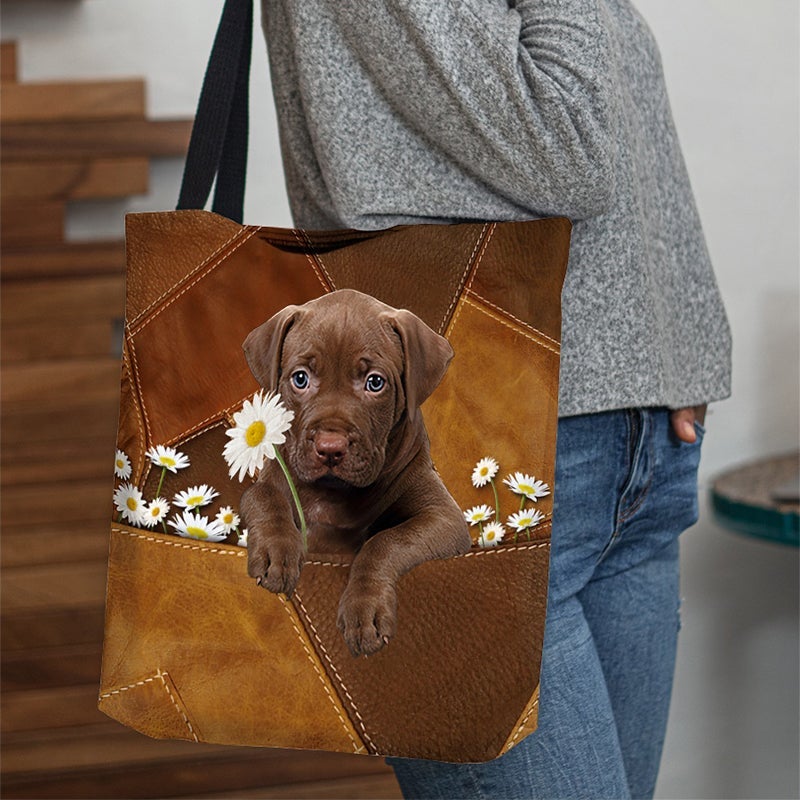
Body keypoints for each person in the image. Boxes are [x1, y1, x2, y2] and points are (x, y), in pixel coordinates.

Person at [259, 1, 732, 798]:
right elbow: (570, 148)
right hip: (477, 460)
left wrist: (669, 346)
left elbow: (620, 121)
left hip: (633, 451)